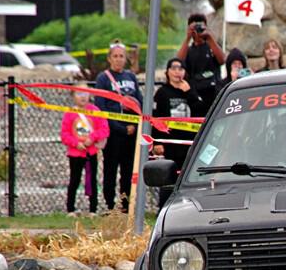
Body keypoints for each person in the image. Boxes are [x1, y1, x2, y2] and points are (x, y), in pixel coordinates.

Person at [95, 40, 143, 213]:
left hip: (131, 132)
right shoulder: (103, 79)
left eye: (121, 56)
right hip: (114, 133)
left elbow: (139, 102)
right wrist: (120, 128)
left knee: (128, 170)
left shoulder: (130, 77)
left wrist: (135, 126)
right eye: (115, 56)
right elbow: (102, 108)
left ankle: (125, 204)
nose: (118, 59)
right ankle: (109, 204)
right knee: (110, 169)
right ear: (109, 58)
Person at [153, 58, 204, 208]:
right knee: (169, 176)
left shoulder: (190, 89)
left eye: (181, 68)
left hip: (189, 142)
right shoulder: (162, 93)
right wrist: (157, 141)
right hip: (171, 142)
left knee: (188, 175)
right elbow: (157, 118)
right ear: (167, 71)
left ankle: (188, 206)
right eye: (174, 68)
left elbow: (201, 110)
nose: (177, 72)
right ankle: (164, 207)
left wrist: (189, 92)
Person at [60, 88, 109, 217]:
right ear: (73, 95)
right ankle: (70, 209)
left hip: (91, 152)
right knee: (74, 180)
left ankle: (93, 209)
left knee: (92, 180)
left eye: (85, 93)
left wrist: (92, 138)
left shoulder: (95, 111)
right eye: (79, 93)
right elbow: (64, 134)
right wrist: (76, 143)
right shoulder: (70, 113)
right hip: (75, 154)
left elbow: (104, 129)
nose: (83, 97)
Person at [177, 13, 225, 111]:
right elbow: (178, 63)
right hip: (196, 93)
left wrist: (209, 38)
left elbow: (222, 60)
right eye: (195, 27)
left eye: (201, 26)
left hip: (214, 91)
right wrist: (188, 38)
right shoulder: (189, 50)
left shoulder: (212, 46)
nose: (198, 30)